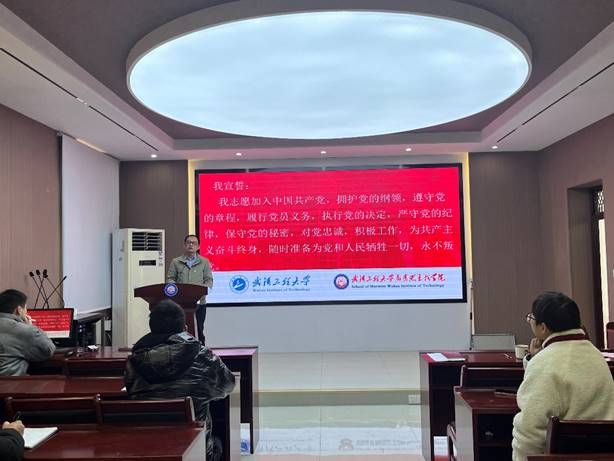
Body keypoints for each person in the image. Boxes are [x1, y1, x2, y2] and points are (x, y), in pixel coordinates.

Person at [124, 299, 235, 461]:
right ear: (184, 328)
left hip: (148, 450)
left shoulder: (135, 360)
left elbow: (130, 390)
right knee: (219, 438)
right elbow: (228, 385)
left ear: (151, 328)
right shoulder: (203, 356)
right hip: (196, 452)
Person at [512, 291, 614, 461]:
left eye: (531, 318)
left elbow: (529, 434)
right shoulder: (596, 356)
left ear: (543, 327)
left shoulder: (545, 362)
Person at [167, 234, 213, 343]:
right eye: (188, 242)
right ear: (184, 245)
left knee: (199, 329)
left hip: (199, 303)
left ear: (198, 247)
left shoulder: (204, 262)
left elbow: (209, 280)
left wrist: (200, 291)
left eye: (194, 243)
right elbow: (170, 279)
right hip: (180, 303)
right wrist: (174, 288)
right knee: (179, 330)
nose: (191, 245)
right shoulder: (176, 262)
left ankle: (200, 350)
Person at [0, 289, 56, 376]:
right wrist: (30, 327)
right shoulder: (24, 330)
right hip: (11, 383)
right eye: (25, 308)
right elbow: (48, 350)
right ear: (19, 310)